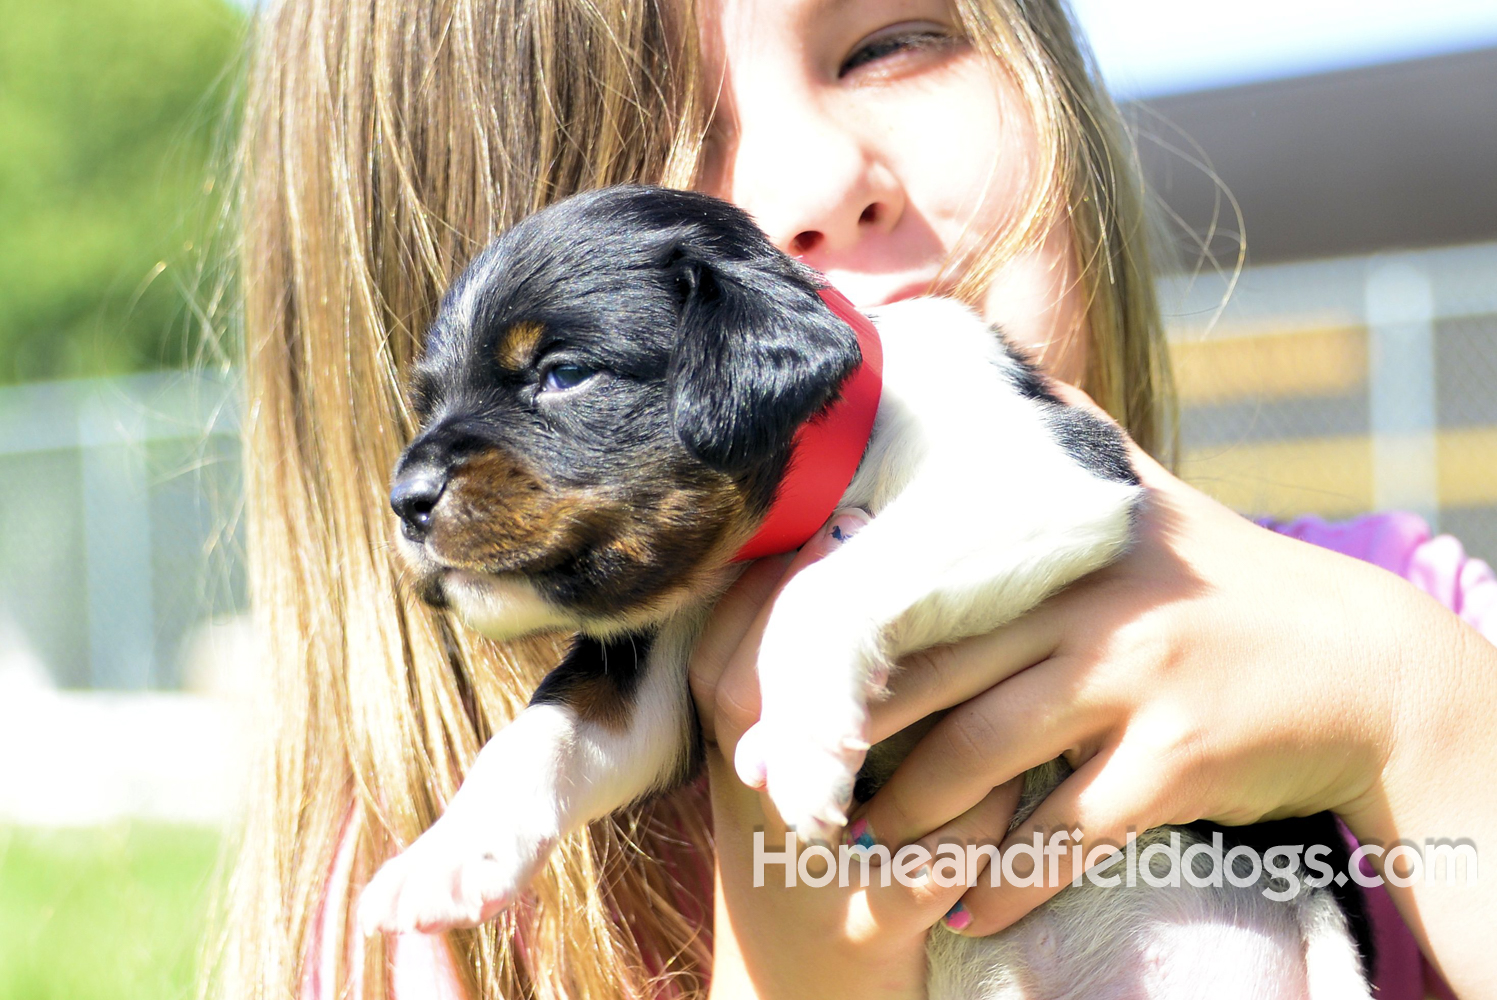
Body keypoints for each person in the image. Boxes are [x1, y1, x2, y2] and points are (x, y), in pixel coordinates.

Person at [213, 0, 1497, 998]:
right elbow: (600, 716)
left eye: (886, 42)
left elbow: (1060, 498)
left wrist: (1411, 713)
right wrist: (801, 961)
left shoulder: (1397, 606)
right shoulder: (443, 908)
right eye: (660, 119)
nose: (816, 180)